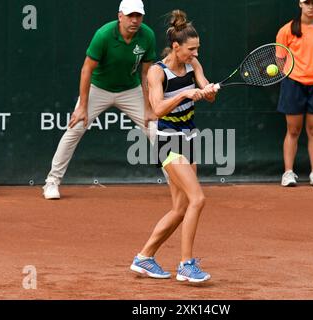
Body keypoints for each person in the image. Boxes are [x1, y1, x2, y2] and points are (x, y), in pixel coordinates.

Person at [129, 10, 218, 283]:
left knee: (180, 209)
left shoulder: (193, 65)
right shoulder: (158, 72)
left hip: (189, 139)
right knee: (198, 199)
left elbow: (205, 91)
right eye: (191, 49)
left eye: (198, 49)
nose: (195, 53)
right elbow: (156, 109)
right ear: (176, 46)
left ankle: (144, 257)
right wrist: (184, 93)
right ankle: (186, 265)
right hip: (168, 141)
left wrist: (209, 91)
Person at [42, 0, 157, 199]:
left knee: (156, 129)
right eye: (130, 15)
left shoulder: (147, 35)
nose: (134, 20)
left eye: (138, 16)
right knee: (75, 128)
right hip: (99, 89)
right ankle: (51, 182)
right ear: (120, 16)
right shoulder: (103, 35)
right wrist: (83, 107)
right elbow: (87, 69)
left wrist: (148, 107)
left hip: (130, 89)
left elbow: (146, 74)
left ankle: (177, 182)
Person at [276, 0, 313, 187]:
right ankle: (288, 173)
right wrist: (292, 75)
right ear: (300, 4)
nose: (310, 6)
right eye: (306, 2)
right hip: (293, 84)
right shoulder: (286, 30)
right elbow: (280, 60)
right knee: (293, 130)